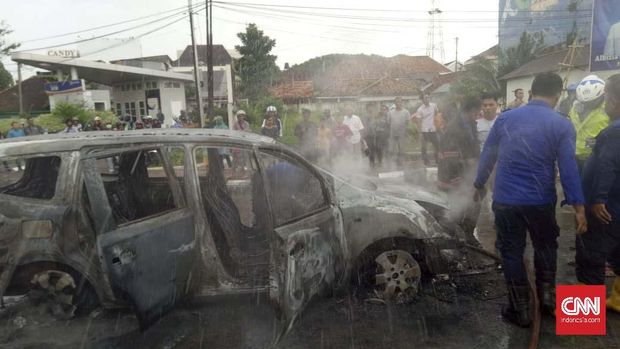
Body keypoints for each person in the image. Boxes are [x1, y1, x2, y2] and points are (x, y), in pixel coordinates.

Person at [474, 72, 587, 327]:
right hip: (539, 200)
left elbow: (488, 156)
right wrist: (579, 207)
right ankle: (547, 301)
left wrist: (479, 184)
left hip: (506, 201)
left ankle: (521, 310)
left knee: (512, 252)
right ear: (557, 95)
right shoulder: (561, 123)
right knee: (546, 246)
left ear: (531, 91)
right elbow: (568, 168)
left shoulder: (505, 118)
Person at [575, 74, 620, 314]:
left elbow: (607, 165)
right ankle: (618, 300)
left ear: (613, 100)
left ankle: (583, 317)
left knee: (590, 254)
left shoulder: (613, 131)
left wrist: (598, 199)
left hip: (606, 207)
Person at [437, 97, 483, 243]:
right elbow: (448, 155)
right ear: (471, 110)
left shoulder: (470, 123)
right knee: (458, 207)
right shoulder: (453, 128)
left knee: (473, 203)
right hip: (455, 175)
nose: (479, 113)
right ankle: (457, 238)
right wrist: (466, 164)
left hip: (469, 174)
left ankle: (466, 234)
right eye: (478, 110)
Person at [569, 75, 609, 173]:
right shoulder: (575, 108)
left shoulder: (608, 110)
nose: (588, 105)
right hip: (575, 156)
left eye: (593, 102)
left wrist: (599, 142)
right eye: (585, 102)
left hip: (597, 157)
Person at [414, 94, 440, 166]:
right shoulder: (420, 109)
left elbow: (436, 113)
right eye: (425, 98)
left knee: (437, 145)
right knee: (424, 147)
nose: (427, 99)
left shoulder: (434, 105)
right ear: (422, 100)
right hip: (424, 130)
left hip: (433, 129)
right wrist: (420, 133)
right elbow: (418, 121)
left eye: (428, 97)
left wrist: (436, 123)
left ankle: (437, 160)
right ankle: (426, 162)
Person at [365, 103, 390, 168]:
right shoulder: (366, 116)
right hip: (371, 136)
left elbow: (388, 126)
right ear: (367, 109)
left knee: (381, 149)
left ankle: (382, 163)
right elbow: (367, 126)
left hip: (382, 136)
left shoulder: (387, 116)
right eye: (369, 108)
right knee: (373, 150)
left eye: (371, 108)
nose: (370, 109)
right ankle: (372, 164)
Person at [388, 97, 411, 165]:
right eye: (397, 102)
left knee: (401, 150)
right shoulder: (390, 112)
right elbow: (388, 123)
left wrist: (407, 133)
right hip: (392, 134)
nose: (398, 103)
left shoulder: (406, 112)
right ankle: (391, 164)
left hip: (402, 134)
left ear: (402, 103)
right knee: (391, 150)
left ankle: (401, 163)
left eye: (399, 102)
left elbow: (407, 123)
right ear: (395, 103)